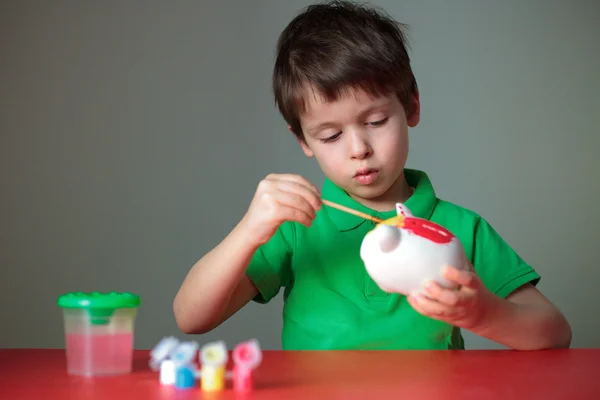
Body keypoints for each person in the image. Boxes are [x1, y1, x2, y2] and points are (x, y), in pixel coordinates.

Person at [173, 0, 571, 350]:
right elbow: (192, 318)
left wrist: (486, 314)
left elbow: (555, 332)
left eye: (376, 120)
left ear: (411, 106)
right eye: (330, 135)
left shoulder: (460, 229)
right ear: (303, 140)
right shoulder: (295, 227)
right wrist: (249, 229)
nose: (358, 148)